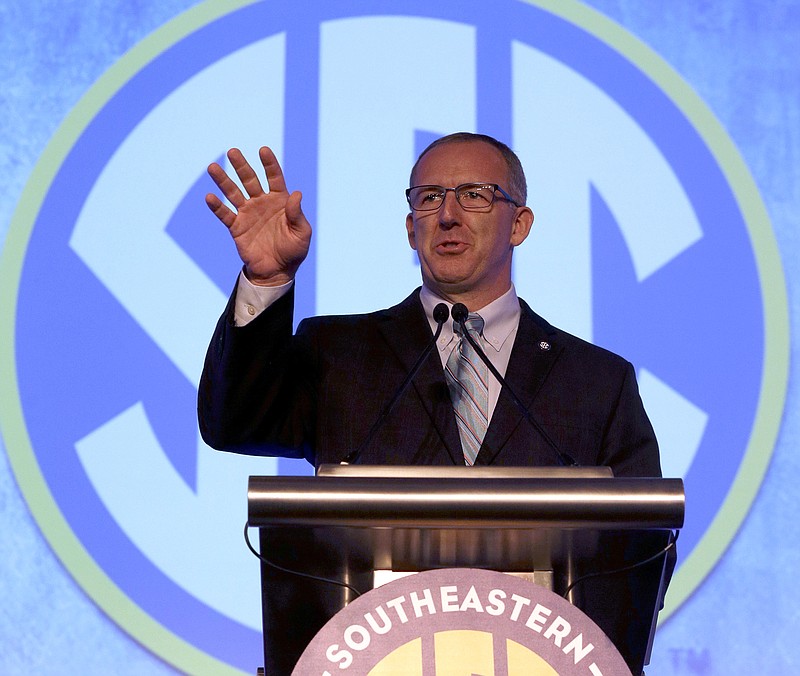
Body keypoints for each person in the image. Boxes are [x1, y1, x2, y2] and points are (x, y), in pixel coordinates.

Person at [198, 132, 661, 478]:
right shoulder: (337, 354)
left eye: (475, 195)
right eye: (430, 197)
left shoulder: (597, 382)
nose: (448, 215)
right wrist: (267, 278)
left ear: (519, 225)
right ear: (410, 228)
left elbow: (645, 543)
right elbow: (234, 424)